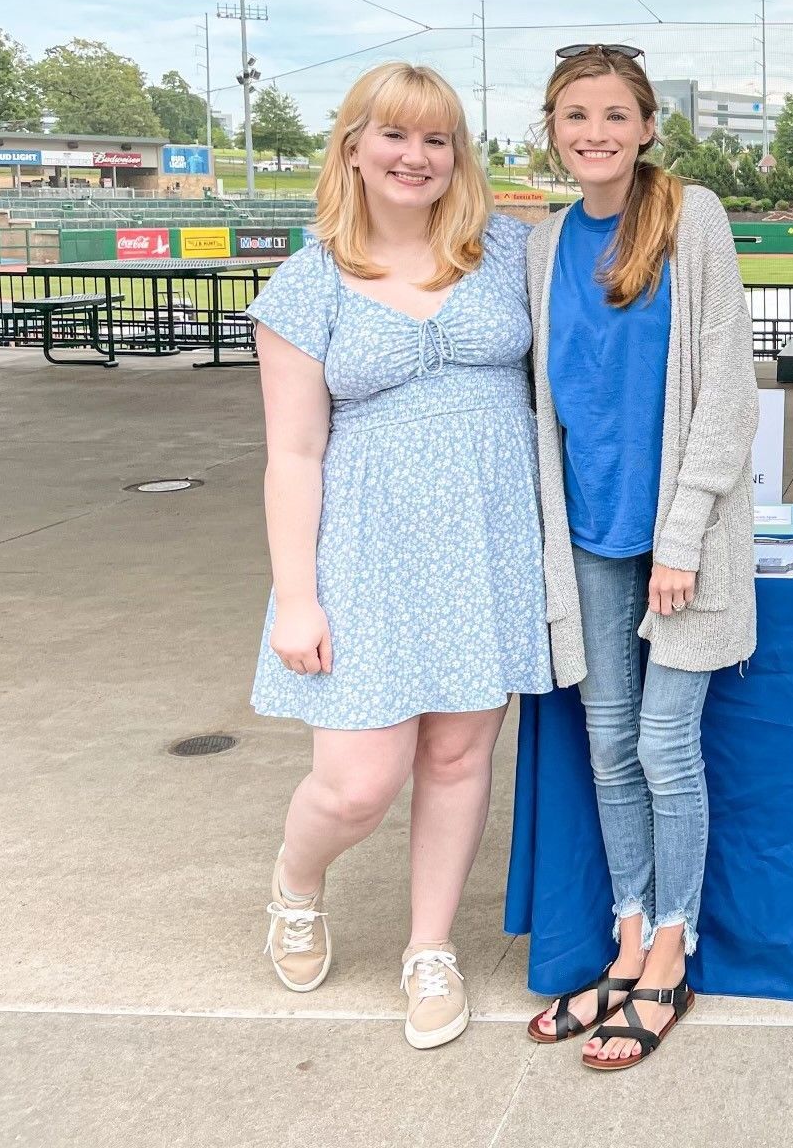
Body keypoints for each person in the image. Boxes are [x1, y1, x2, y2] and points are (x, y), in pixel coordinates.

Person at [247, 61, 549, 1051]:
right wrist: (298, 596)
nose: (416, 156)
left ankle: (431, 950)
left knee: (460, 755)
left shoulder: (508, 252)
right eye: (395, 136)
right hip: (368, 552)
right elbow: (291, 452)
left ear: (458, 156)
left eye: (437, 139)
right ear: (353, 148)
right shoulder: (309, 280)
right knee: (360, 781)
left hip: (488, 542)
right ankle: (298, 881)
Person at [514, 43, 758, 1072]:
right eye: (576, 115)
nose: (595, 132)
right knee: (609, 748)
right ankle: (624, 933)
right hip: (586, 536)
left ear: (648, 125)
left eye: (615, 114)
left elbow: (727, 387)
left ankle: (672, 949)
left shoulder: (688, 216)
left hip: (676, 544)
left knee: (663, 748)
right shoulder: (541, 243)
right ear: (553, 128)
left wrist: (686, 531)